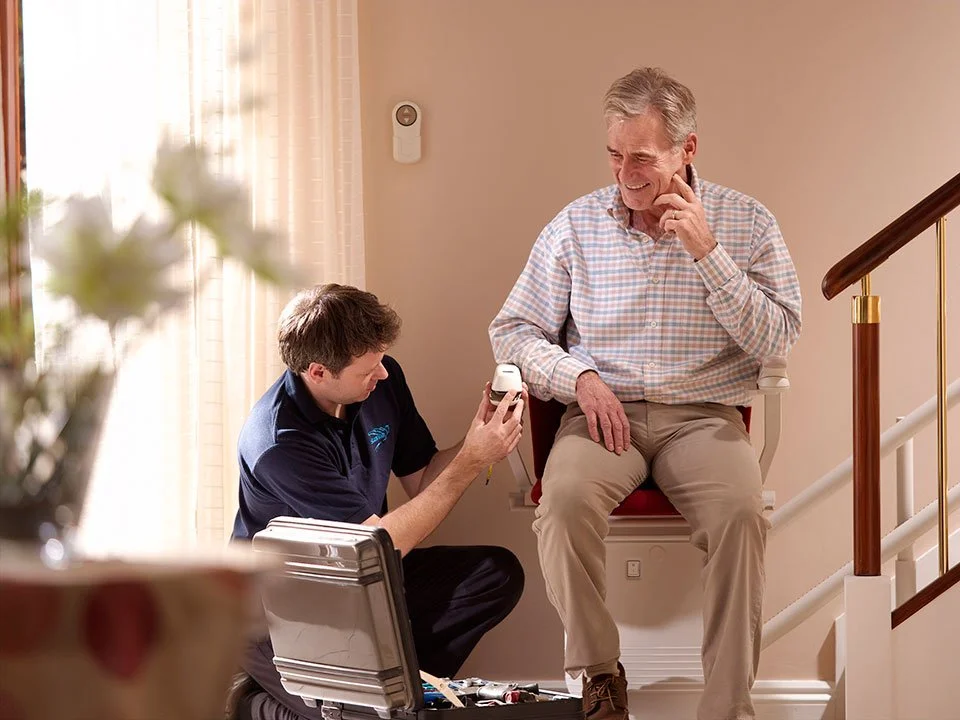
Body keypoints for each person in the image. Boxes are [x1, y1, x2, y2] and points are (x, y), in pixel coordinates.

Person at [489, 67, 802, 720]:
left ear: (687, 150)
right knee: (564, 501)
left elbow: (777, 339)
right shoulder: (575, 227)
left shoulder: (746, 224)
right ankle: (601, 674)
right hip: (604, 417)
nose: (625, 173)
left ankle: (726, 708)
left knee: (743, 516)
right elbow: (511, 331)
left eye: (642, 157)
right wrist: (579, 377)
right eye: (614, 155)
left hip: (705, 419)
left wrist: (708, 252)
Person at [230, 283, 527, 720]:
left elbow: (423, 477)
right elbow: (374, 545)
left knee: (495, 575)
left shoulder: (381, 381)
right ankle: (256, 703)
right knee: (369, 717)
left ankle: (395, 691)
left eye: (381, 360)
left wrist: (480, 437)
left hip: (362, 582)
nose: (382, 373)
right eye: (367, 369)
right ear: (317, 372)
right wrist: (471, 461)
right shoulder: (280, 443)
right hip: (286, 612)